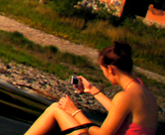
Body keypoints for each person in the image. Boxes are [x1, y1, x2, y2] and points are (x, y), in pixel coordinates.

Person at [24, 41, 159, 135]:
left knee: (55, 108)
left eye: (103, 71)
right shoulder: (144, 92)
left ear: (110, 69)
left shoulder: (125, 96)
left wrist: (75, 112)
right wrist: (92, 90)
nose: (105, 75)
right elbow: (118, 112)